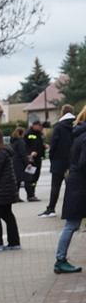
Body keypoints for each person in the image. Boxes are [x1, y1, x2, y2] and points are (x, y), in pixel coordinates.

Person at [54, 106, 86, 274]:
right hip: (80, 186)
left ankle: (60, 259)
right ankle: (60, 260)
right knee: (71, 224)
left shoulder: (79, 133)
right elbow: (84, 163)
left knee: (72, 224)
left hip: (77, 184)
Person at [41, 104, 76, 217]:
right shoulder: (77, 125)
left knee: (55, 186)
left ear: (62, 112)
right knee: (72, 187)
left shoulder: (59, 127)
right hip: (74, 162)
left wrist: (52, 158)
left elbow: (53, 144)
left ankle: (51, 208)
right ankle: (72, 209)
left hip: (59, 162)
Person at [24, 120, 46, 202]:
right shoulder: (28, 134)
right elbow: (25, 146)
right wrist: (30, 153)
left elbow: (39, 144)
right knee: (30, 177)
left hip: (38, 158)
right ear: (34, 125)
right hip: (31, 159)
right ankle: (30, 195)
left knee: (36, 176)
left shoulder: (39, 134)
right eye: (39, 125)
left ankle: (33, 193)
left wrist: (44, 147)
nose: (40, 127)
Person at [9, 126, 31, 202]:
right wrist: (28, 162)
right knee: (27, 179)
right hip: (21, 163)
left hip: (15, 162)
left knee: (17, 181)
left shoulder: (13, 141)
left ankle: (16, 196)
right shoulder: (21, 141)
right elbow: (22, 153)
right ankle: (30, 195)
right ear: (22, 133)